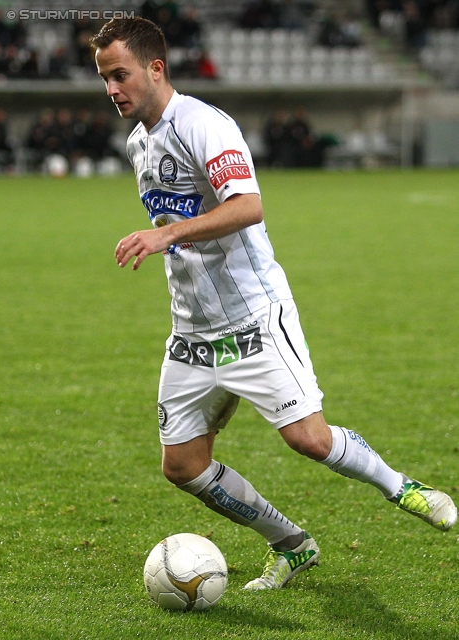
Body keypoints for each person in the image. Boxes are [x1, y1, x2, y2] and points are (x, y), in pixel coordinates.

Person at [90, 17, 457, 591]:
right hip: (192, 330)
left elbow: (247, 206)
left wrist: (166, 235)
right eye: (104, 78)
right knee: (182, 465)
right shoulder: (140, 140)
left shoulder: (204, 125)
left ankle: (404, 487)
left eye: (119, 74)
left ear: (155, 68)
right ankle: (292, 544)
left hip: (253, 318)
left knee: (308, 439)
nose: (111, 89)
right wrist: (172, 237)